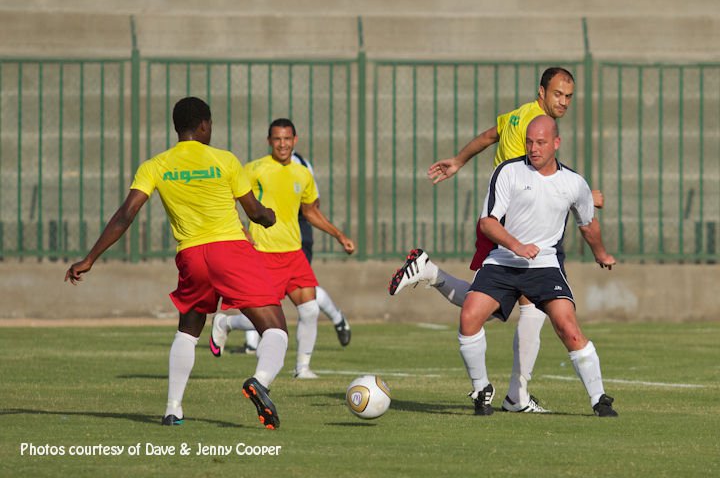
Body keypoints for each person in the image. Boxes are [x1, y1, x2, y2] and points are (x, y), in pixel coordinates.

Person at [64, 97, 288, 430]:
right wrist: (268, 218)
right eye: (209, 124)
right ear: (204, 125)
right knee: (275, 328)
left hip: (192, 256)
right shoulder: (225, 159)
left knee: (188, 330)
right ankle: (261, 381)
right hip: (230, 250)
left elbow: (126, 214)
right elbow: (254, 212)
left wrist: (90, 258)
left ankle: (173, 409)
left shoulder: (155, 165)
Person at [389, 67, 603, 413]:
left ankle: (516, 394)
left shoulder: (520, 113)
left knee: (514, 304)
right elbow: (534, 174)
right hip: (512, 223)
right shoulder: (536, 124)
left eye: (568, 96)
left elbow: (490, 135)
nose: (563, 102)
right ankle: (433, 275)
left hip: (506, 219)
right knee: (513, 304)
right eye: (557, 95)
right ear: (542, 92)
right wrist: (585, 197)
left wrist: (459, 160)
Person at [460, 115, 617, 416]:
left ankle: (599, 399)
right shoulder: (508, 172)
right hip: (503, 261)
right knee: (469, 316)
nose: (534, 148)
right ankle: (482, 391)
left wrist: (601, 253)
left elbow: (588, 224)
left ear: (556, 143)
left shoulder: (573, 183)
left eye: (541, 142)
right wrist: (516, 245)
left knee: (567, 327)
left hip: (544, 266)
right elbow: (488, 222)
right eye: (530, 142)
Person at [209, 118, 355, 379]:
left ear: (295, 141)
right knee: (268, 319)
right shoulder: (254, 169)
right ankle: (226, 322)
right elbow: (228, 200)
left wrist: (339, 235)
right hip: (264, 254)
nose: (282, 144)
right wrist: (241, 230)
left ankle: (302, 368)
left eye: (287, 139)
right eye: (277, 139)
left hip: (293, 253)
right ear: (269, 142)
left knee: (309, 309)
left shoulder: (303, 173)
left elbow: (310, 212)